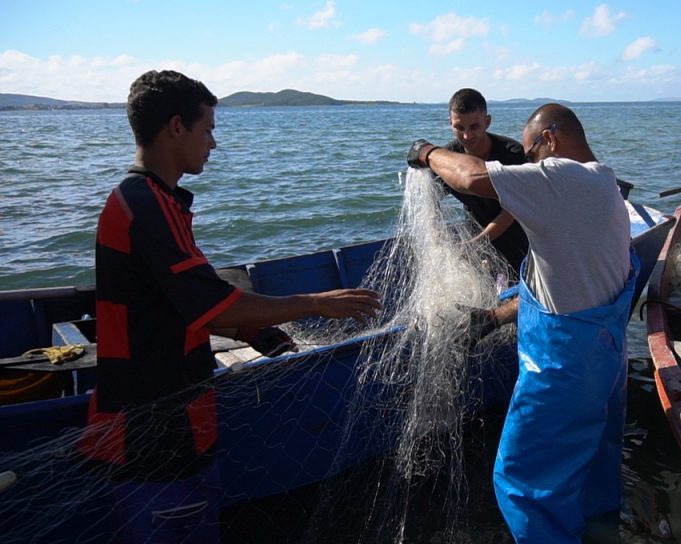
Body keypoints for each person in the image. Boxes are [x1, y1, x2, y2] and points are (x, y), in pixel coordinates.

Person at [76, 70, 382, 542]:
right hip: (152, 429)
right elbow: (214, 307)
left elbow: (179, 300)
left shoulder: (157, 201)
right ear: (176, 127)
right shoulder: (144, 204)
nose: (213, 143)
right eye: (208, 129)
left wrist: (251, 330)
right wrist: (317, 302)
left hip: (177, 415)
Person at [407, 103, 639, 543]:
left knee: (523, 480)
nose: (532, 164)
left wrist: (426, 152)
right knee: (590, 468)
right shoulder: (605, 183)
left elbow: (472, 176)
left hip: (562, 371)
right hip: (605, 361)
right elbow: (565, 280)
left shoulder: (566, 177)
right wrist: (496, 316)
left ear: (550, 140)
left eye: (531, 155)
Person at [439, 88, 530, 274]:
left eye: (474, 127)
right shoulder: (447, 159)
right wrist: (436, 233)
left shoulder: (513, 154)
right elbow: (430, 199)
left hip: (516, 238)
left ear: (487, 122)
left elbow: (514, 208)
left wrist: (477, 244)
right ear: (450, 123)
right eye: (459, 128)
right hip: (473, 233)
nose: (467, 136)